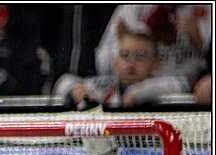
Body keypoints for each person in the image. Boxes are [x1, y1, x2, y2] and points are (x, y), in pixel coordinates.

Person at [54, 30, 190, 109]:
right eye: (125, 56)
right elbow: (64, 81)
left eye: (140, 56)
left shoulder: (163, 87)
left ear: (156, 64)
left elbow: (182, 84)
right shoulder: (106, 85)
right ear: (116, 63)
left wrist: (136, 95)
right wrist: (76, 90)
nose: (131, 62)